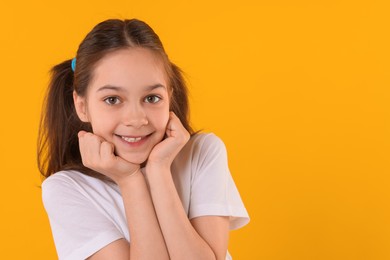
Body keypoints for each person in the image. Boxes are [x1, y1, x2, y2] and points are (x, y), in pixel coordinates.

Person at [38, 18, 249, 260]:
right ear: (82, 106)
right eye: (112, 100)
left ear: (169, 96)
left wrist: (159, 170)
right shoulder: (67, 189)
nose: (136, 119)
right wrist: (130, 180)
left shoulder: (202, 153)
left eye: (151, 98)